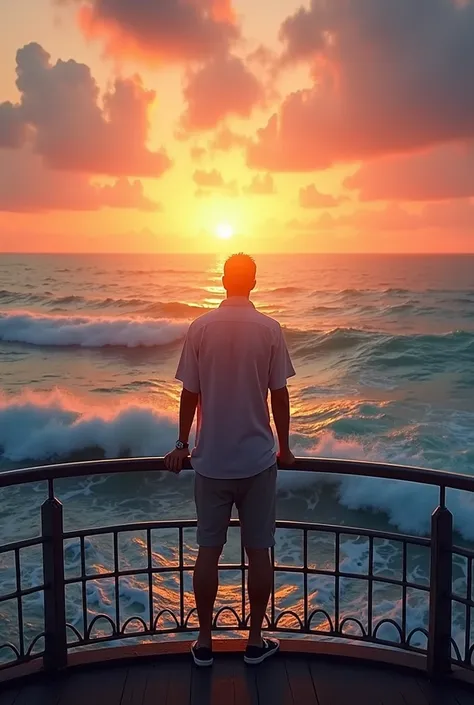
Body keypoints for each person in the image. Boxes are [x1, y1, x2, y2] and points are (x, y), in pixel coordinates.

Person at [164, 253, 295, 667]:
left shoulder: (200, 328)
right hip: (258, 459)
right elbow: (279, 394)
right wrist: (285, 448)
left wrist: (182, 443)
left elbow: (190, 392)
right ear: (253, 282)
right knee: (259, 551)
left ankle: (204, 642)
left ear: (223, 281)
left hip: (211, 460)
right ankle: (254, 640)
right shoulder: (270, 329)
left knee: (208, 551)